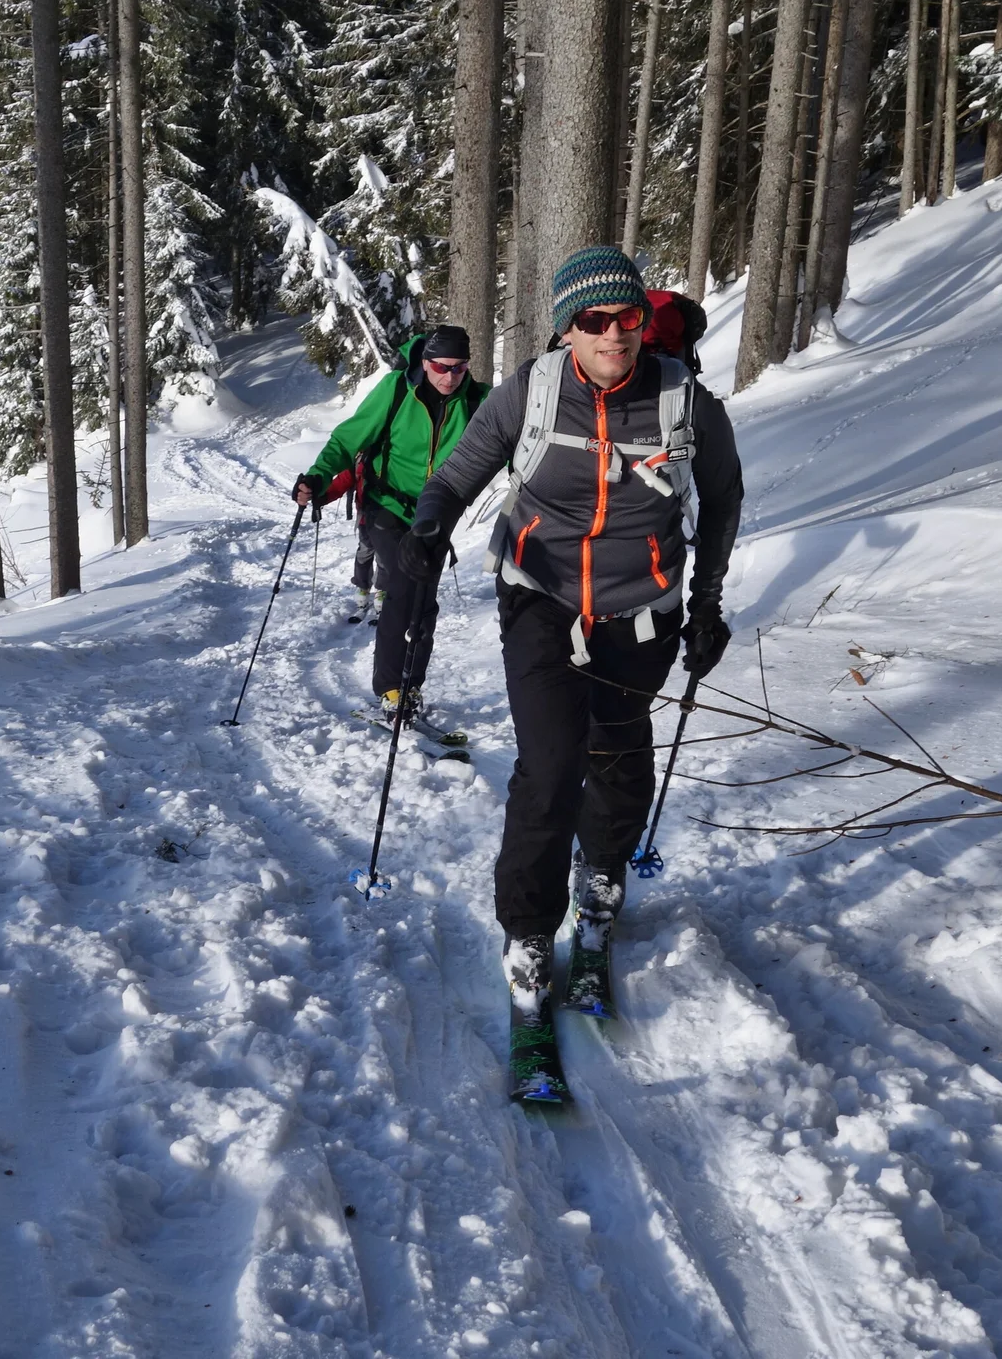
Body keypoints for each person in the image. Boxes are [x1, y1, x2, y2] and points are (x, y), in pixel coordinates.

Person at [401, 245, 744, 1022]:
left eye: (626, 317)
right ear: (566, 329)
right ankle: (528, 928)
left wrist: (707, 604)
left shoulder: (686, 402)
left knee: (619, 759)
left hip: (643, 614)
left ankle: (603, 875)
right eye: (593, 320)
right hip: (541, 601)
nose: (613, 333)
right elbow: (457, 475)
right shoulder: (532, 391)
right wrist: (429, 526)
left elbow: (723, 498)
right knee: (551, 766)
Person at [294, 325, 488, 718]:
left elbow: (510, 441)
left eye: (460, 367)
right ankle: (390, 688)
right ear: (426, 362)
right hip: (386, 505)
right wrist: (318, 476)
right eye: (442, 367)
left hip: (436, 514)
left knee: (424, 602)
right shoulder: (397, 390)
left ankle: (411, 685)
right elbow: (347, 440)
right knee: (402, 587)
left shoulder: (477, 400)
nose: (450, 376)